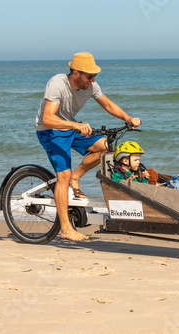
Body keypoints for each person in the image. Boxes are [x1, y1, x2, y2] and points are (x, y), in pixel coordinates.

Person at [35, 52, 141, 241]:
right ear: (75, 73)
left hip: (71, 126)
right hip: (50, 130)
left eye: (95, 76)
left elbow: (107, 104)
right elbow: (47, 118)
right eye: (89, 76)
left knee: (106, 147)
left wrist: (128, 118)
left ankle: (76, 179)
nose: (93, 80)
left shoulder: (90, 86)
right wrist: (75, 125)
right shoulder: (57, 84)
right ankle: (66, 228)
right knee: (63, 176)